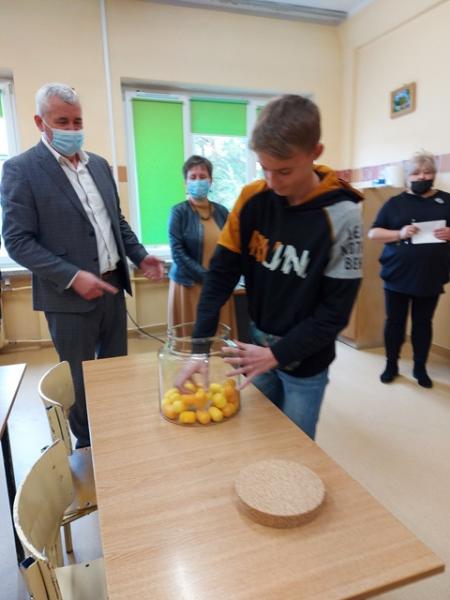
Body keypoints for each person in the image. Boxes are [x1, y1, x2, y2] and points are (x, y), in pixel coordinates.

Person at [179, 94, 363, 440]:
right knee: (260, 439)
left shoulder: (344, 213)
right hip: (255, 352)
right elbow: (220, 276)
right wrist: (199, 351)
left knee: (295, 446)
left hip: (304, 363)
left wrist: (277, 354)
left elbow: (335, 312)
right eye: (264, 167)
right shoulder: (252, 198)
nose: (273, 181)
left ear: (315, 152)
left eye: (284, 170)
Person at [1, 82, 164, 447]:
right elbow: (17, 241)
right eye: (63, 121)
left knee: (114, 372)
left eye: (77, 121)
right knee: (79, 380)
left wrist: (140, 255)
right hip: (67, 299)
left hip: (112, 290)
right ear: (40, 122)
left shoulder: (100, 166)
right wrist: (73, 276)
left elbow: (116, 222)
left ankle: (115, 436)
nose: (72, 130)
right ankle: (90, 447)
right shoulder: (21, 170)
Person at [368, 151, 450, 388]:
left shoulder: (446, 201)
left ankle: (420, 367)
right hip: (397, 274)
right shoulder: (395, 203)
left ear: (434, 175)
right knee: (395, 322)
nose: (421, 177)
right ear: (407, 177)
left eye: (427, 172)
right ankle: (391, 364)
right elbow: (374, 232)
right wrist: (399, 233)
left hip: (431, 275)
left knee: (423, 323)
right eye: (416, 173)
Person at [168, 155, 235, 333]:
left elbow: (231, 247)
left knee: (219, 338)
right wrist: (207, 278)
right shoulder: (178, 212)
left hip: (217, 285)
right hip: (188, 285)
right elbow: (177, 253)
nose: (198, 181)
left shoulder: (222, 212)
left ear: (210, 180)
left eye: (203, 176)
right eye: (193, 177)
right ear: (186, 182)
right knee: (193, 340)